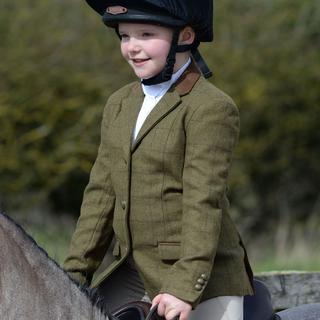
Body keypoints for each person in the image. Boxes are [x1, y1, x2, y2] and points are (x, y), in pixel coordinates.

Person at [63, 1, 254, 319]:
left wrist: (183, 287)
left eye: (146, 34)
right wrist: (72, 275)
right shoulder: (119, 103)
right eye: (125, 36)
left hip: (199, 279)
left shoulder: (210, 108)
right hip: (132, 272)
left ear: (186, 35)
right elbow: (100, 197)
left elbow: (202, 202)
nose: (132, 48)